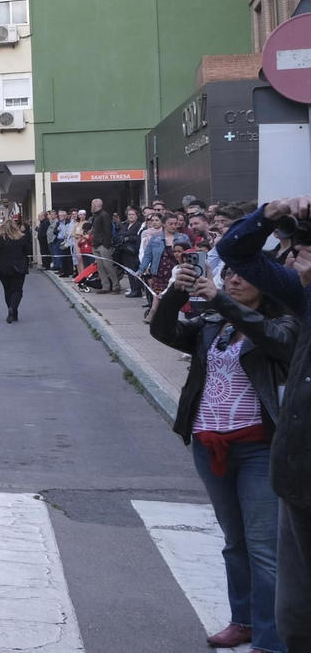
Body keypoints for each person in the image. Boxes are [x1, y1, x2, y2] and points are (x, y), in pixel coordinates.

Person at [152, 259, 295, 652]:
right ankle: (244, 621)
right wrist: (175, 292)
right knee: (235, 542)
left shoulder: (285, 323)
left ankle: (270, 638)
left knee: (263, 547)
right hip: (208, 445)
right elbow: (164, 331)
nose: (233, 278)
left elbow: (274, 340)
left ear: (268, 284)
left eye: (244, 275)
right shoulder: (215, 325)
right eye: (230, 273)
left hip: (258, 449)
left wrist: (222, 302)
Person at [216, 196, 311, 651]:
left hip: (268, 454)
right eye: (294, 246)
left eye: (304, 246)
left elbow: (270, 336)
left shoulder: (287, 315)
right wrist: (269, 214)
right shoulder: (302, 295)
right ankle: (261, 631)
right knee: (296, 617)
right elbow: (234, 252)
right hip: (296, 476)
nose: (296, 254)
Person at [141, 212, 191, 324]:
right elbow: (148, 255)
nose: (173, 226)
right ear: (164, 224)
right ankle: (153, 312)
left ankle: (171, 314)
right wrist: (141, 269)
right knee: (158, 293)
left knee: (175, 292)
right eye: (170, 224)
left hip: (177, 268)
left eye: (175, 223)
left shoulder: (183, 237)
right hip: (160, 269)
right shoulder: (155, 238)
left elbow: (190, 252)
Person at [0, 218, 30, 323]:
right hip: (18, 267)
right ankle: (13, 309)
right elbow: (28, 251)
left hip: (3, 268)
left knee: (7, 290)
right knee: (17, 290)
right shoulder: (21, 238)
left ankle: (11, 310)